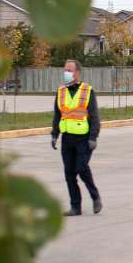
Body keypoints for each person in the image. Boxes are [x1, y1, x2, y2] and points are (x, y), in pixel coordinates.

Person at [51, 59, 102, 216]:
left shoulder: (87, 91)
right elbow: (57, 115)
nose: (67, 73)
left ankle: (95, 196)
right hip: (67, 138)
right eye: (65, 70)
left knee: (82, 168)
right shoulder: (61, 91)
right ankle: (75, 207)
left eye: (70, 70)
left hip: (84, 138)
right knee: (69, 173)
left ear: (77, 73)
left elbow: (94, 117)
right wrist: (54, 135)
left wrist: (93, 137)